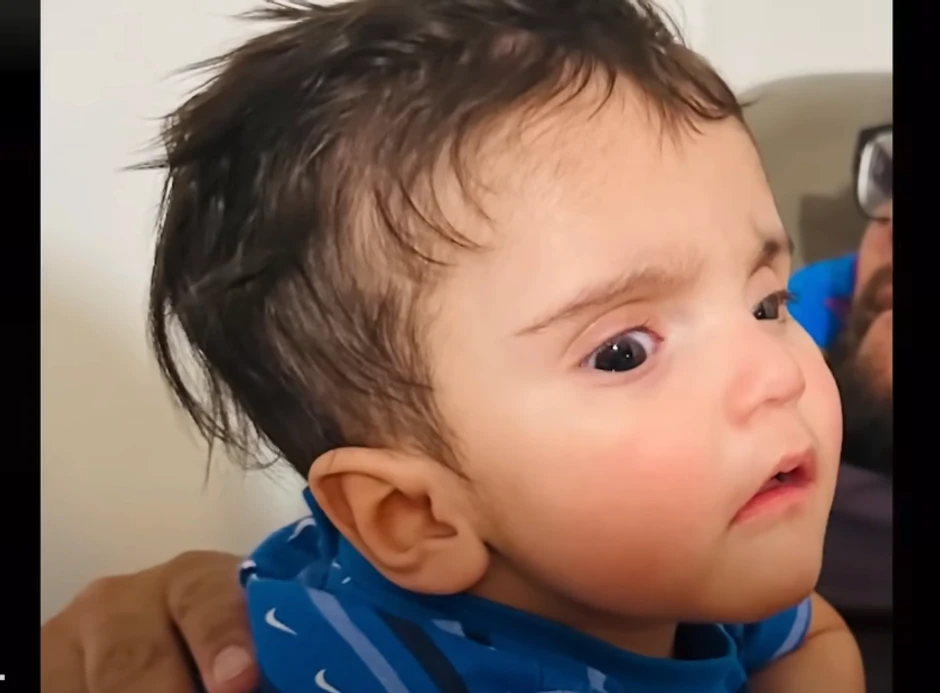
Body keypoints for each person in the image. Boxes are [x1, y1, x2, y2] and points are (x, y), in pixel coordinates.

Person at [43, 1, 864, 691]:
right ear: (415, 516)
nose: (776, 372)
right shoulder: (370, 672)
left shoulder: (695, 553)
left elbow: (808, 632)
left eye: (767, 303)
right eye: (624, 351)